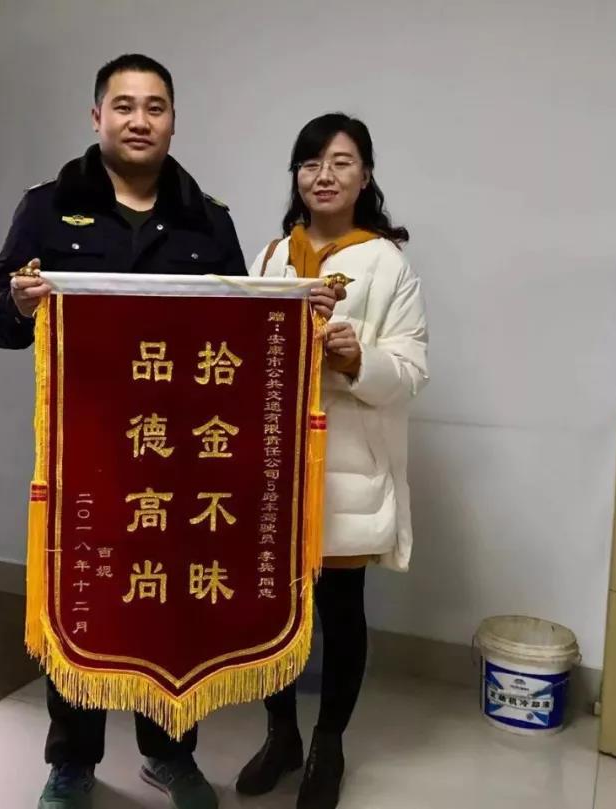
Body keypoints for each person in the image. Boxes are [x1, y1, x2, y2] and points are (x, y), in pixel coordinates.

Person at [0, 56, 340, 809]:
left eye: (154, 107)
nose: (139, 120)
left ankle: (171, 752)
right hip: (86, 452)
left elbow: (244, 328)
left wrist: (299, 321)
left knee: (172, 602)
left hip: (183, 458)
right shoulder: (48, 208)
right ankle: (71, 762)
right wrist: (19, 302)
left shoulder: (210, 218)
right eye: (124, 106)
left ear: (174, 120)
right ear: (97, 117)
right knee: (82, 595)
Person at [237, 113, 429, 809]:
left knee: (341, 610)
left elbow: (411, 371)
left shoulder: (387, 264)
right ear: (296, 175)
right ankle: (281, 733)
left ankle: (329, 743)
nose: (324, 175)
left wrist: (356, 357)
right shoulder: (270, 258)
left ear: (365, 176)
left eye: (341, 162)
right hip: (272, 465)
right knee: (272, 608)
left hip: (347, 465)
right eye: (311, 162)